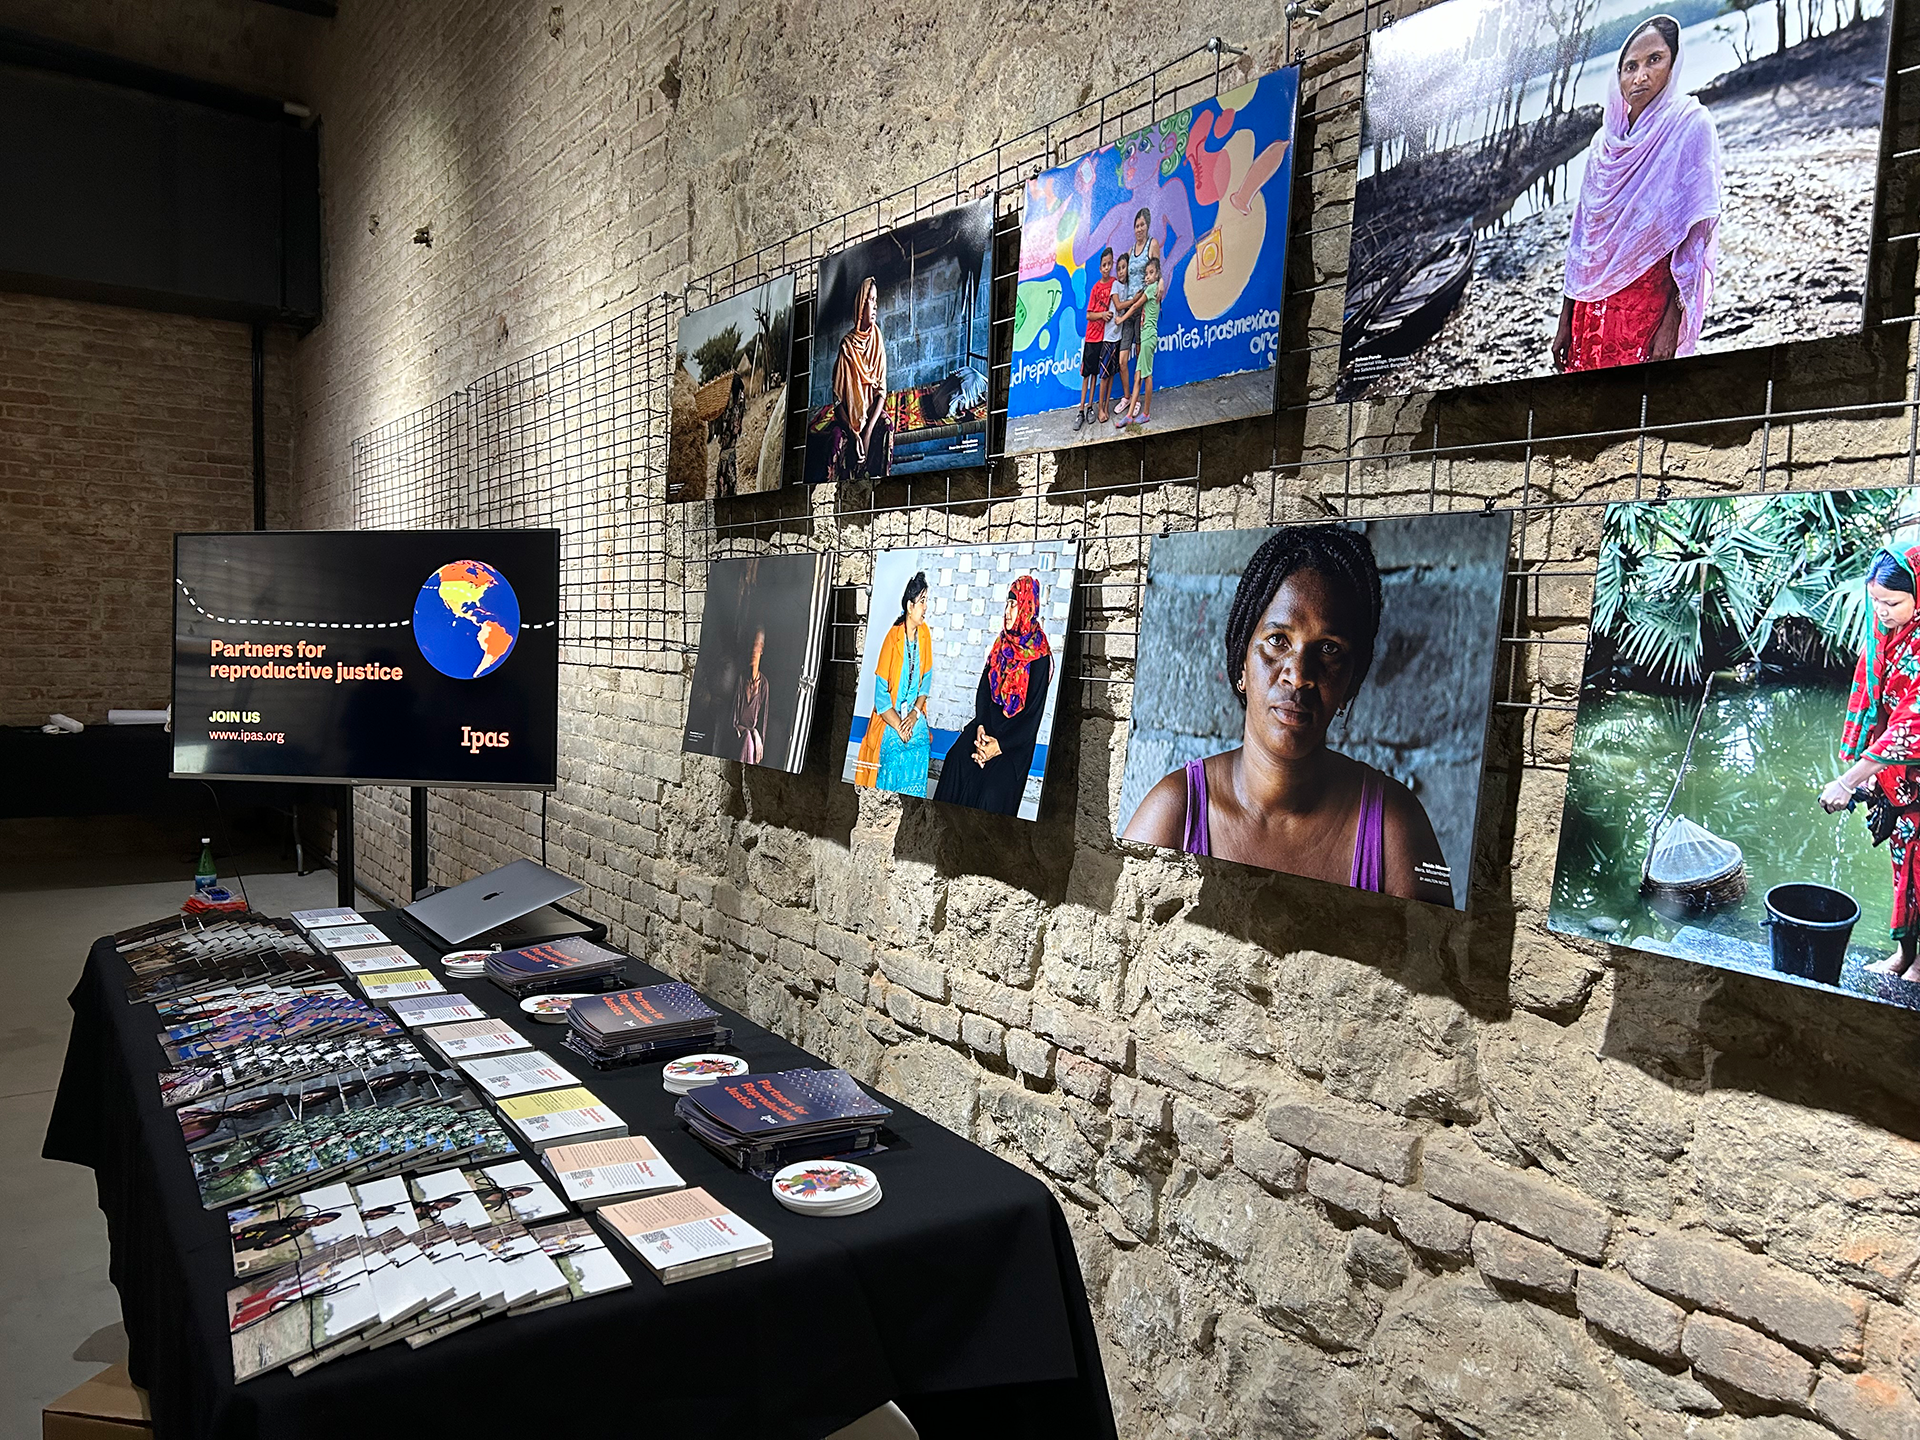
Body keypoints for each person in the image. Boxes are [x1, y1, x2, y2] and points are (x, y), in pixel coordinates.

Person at [1122, 526, 1451, 903]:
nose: (1298, 674)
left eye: (1328, 649)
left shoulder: (1395, 827)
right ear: (1241, 663)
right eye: (1278, 640)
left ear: (1353, 680)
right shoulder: (1175, 813)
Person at [1552, 15, 1721, 374]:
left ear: (1674, 63)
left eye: (1654, 60)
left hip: (1646, 308)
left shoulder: (1690, 126)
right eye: (1630, 66)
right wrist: (1565, 318)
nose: (1640, 76)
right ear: (1618, 76)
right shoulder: (1604, 145)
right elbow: (1583, 240)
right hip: (1590, 310)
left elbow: (1694, 237)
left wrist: (1672, 322)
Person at [1819, 547, 1920, 979]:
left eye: (1892, 602)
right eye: (1875, 599)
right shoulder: (1883, 635)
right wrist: (1872, 784)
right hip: (1898, 782)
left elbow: (1910, 724)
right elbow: (1879, 708)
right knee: (1906, 873)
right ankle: (1906, 956)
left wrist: (1847, 781)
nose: (1881, 611)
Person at [933, 575, 1054, 815]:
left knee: (992, 791)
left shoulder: (1040, 656)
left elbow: (1031, 719)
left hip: (1014, 741)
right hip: (986, 727)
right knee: (956, 760)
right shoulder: (1002, 644)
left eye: (1014, 604)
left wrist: (997, 747)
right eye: (1007, 604)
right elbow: (983, 690)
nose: (1008, 611)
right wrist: (980, 728)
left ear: (1027, 607)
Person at [852, 572, 934, 796]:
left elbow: (926, 680)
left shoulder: (924, 634)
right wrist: (899, 725)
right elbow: (880, 697)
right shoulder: (892, 638)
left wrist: (915, 714)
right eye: (923, 601)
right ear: (910, 605)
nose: (926, 607)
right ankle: (886, 806)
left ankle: (914, 804)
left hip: (913, 714)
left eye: (927, 601)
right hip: (890, 717)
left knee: (920, 742)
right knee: (894, 747)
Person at [827, 276, 891, 482]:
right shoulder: (846, 346)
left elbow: (881, 391)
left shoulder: (877, 339)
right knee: (836, 439)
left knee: (887, 427)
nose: (875, 307)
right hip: (849, 418)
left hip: (870, 413)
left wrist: (868, 430)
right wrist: (853, 433)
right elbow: (837, 401)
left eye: (876, 301)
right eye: (870, 300)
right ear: (861, 305)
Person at [1075, 248, 1115, 431]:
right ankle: (1081, 410)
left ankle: (1091, 407)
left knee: (1095, 376)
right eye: (1104, 265)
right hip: (1092, 337)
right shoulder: (1096, 288)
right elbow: (1089, 315)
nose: (1107, 268)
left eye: (1110, 264)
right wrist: (1102, 315)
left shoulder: (1114, 284)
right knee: (1086, 375)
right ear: (1100, 268)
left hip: (1105, 339)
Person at [1125, 254, 1165, 426]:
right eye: (1146, 274)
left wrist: (1121, 319)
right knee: (1138, 376)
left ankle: (1146, 412)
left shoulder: (1152, 289)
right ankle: (1129, 415)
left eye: (1151, 273)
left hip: (1148, 336)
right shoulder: (1153, 288)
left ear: (1157, 275)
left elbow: (1135, 305)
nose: (1147, 277)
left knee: (1147, 376)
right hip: (1145, 335)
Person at [1108, 249, 1141, 427]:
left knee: (1139, 359)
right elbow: (1119, 305)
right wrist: (1133, 300)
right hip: (1125, 321)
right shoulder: (1115, 285)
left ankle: (1136, 399)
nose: (1121, 271)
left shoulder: (1133, 281)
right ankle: (1127, 397)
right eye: (1119, 268)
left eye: (1124, 268)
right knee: (1122, 362)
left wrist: (1136, 301)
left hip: (1137, 317)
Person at [732, 627, 769, 764]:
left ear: (762, 649)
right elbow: (733, 723)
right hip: (736, 738)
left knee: (749, 738)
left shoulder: (764, 685)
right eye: (751, 645)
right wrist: (752, 731)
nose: (753, 650)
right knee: (747, 736)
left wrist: (756, 734)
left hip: (753, 741)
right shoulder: (741, 680)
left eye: (757, 645)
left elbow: (763, 724)